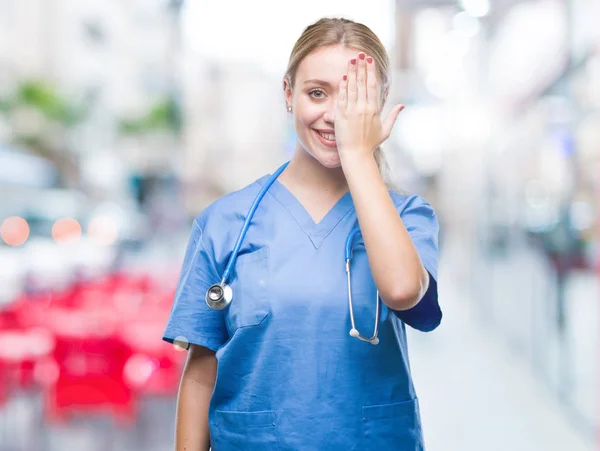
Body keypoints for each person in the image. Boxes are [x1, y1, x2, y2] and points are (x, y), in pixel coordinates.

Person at [163, 17, 442, 451]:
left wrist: (358, 153)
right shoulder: (223, 223)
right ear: (288, 94)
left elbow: (404, 290)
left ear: (379, 103)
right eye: (317, 93)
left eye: (353, 97)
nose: (334, 114)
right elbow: (201, 370)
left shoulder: (407, 216)